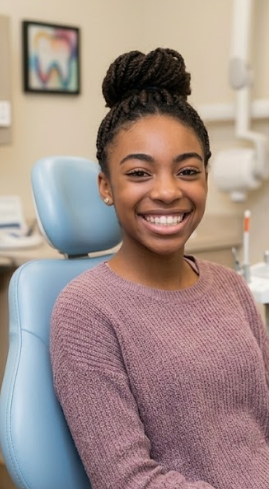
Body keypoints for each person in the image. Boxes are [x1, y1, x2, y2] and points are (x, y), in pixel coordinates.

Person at [50, 48, 269, 489]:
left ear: (206, 178)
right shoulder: (85, 312)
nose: (168, 191)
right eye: (139, 173)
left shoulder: (230, 286)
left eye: (187, 171)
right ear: (106, 187)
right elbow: (128, 480)